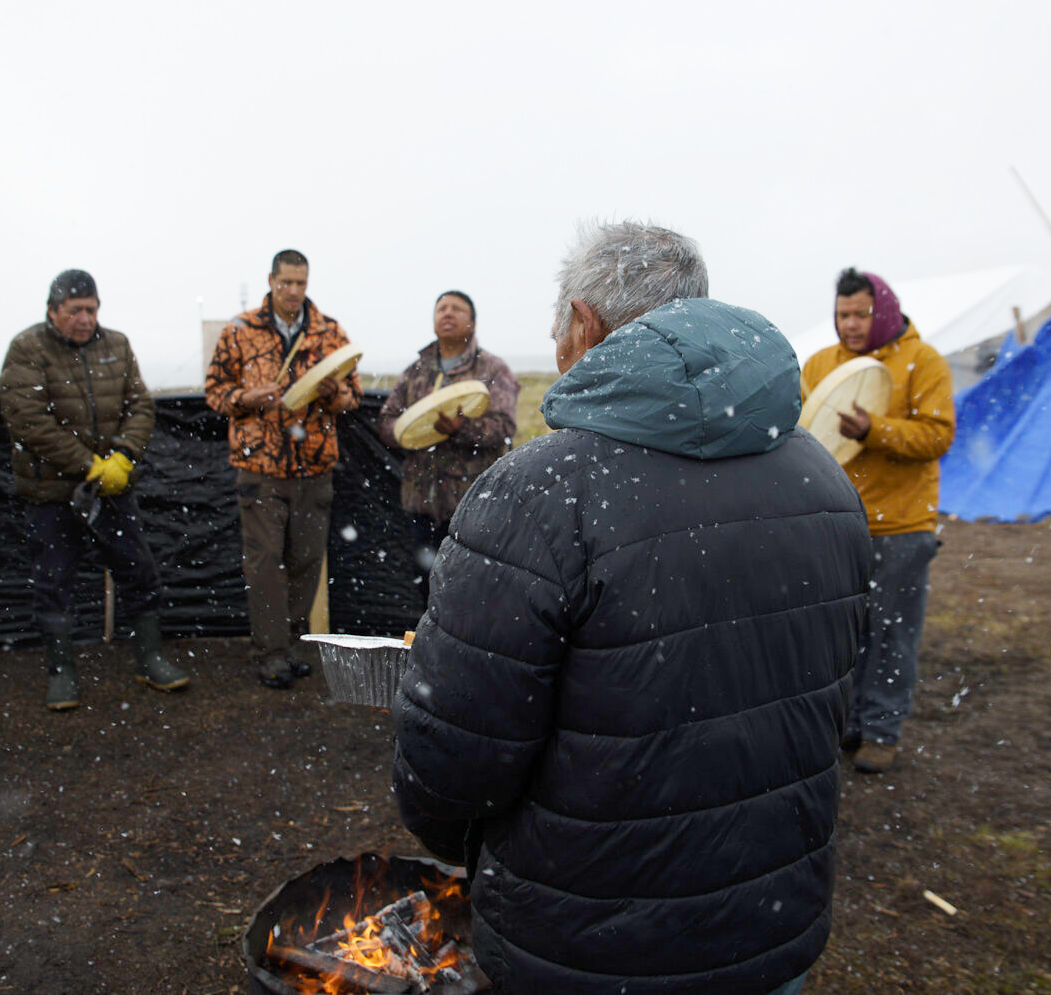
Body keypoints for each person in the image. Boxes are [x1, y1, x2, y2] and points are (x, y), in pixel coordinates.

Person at [392, 222, 873, 995]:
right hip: (771, 925)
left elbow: (456, 764)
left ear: (582, 326)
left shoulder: (538, 494)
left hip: (588, 949)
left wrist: (460, 837)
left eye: (558, 329)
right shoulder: (822, 478)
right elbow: (832, 686)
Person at [0, 269, 188, 711]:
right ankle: (61, 672)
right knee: (54, 581)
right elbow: (27, 419)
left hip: (114, 490)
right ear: (53, 311)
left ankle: (150, 656)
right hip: (53, 494)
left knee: (138, 571)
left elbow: (140, 404)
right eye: (74, 310)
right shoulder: (27, 348)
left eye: (91, 309)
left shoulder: (117, 345)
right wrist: (89, 466)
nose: (85, 319)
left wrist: (122, 455)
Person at [801, 267, 955, 774]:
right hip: (839, 521)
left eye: (861, 314)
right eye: (843, 315)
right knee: (842, 633)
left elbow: (936, 435)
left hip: (902, 524)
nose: (851, 325)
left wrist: (875, 431)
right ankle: (845, 723)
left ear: (882, 310)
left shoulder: (922, 362)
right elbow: (805, 432)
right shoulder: (823, 364)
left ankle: (881, 731)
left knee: (892, 633)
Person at [205, 250, 361, 689]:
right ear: (271, 281)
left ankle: (291, 645)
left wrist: (332, 394)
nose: (293, 291)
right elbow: (215, 392)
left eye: (301, 283)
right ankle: (271, 652)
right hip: (260, 468)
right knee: (265, 561)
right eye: (286, 282)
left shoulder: (330, 332)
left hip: (314, 467)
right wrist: (245, 398)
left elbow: (353, 394)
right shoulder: (239, 331)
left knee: (306, 561)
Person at [377, 290, 518, 593]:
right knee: (425, 589)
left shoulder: (492, 370)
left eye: (457, 309)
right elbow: (387, 422)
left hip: (471, 505)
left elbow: (504, 428)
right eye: (441, 308)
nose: (448, 313)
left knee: (469, 588)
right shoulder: (415, 371)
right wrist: (410, 433)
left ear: (473, 322)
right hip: (420, 502)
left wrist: (461, 429)